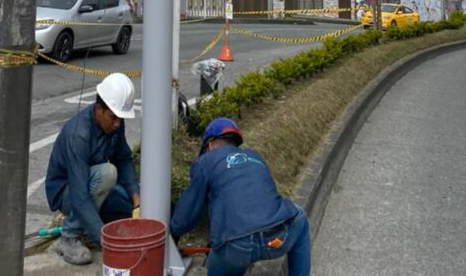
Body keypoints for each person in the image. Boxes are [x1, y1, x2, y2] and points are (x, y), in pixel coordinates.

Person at [171, 117, 311, 276]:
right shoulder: (255, 157)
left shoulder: (205, 162)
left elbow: (186, 215)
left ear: (209, 145)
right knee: (300, 219)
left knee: (227, 261)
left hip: (237, 247)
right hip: (279, 236)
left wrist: (173, 235)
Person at [45, 72, 139, 265]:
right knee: (108, 174)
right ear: (98, 109)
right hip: (68, 193)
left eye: (120, 118)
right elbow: (79, 196)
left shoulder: (114, 123)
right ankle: (69, 236)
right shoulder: (78, 135)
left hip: (93, 186)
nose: (118, 124)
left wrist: (136, 197)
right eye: (113, 118)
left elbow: (123, 159)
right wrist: (107, 243)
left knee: (129, 208)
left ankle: (90, 223)